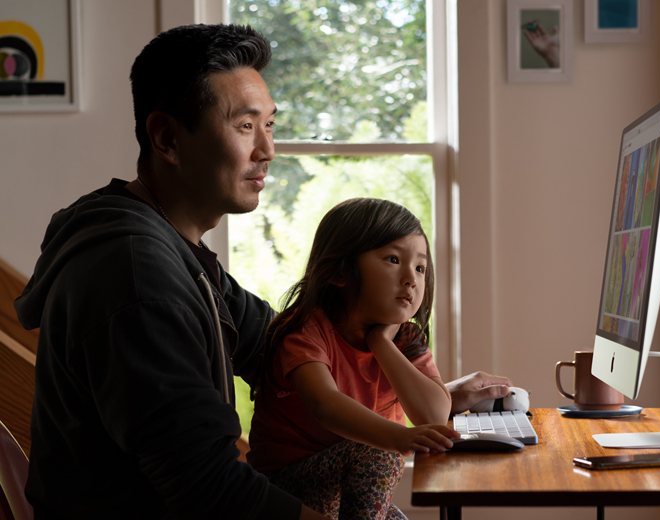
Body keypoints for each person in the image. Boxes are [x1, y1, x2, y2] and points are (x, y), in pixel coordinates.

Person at [13, 23, 514, 519]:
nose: (268, 150)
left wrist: (430, 389)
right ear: (167, 137)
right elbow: (209, 489)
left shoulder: (177, 251)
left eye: (269, 125)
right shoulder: (138, 277)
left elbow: (280, 348)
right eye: (245, 126)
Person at [248, 198, 457, 519]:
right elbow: (325, 405)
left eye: (420, 267)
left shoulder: (403, 339)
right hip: (286, 485)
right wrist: (400, 437)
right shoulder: (305, 330)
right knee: (380, 455)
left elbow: (434, 415)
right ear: (340, 272)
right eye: (392, 259)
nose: (411, 279)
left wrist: (381, 343)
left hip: (347, 478)